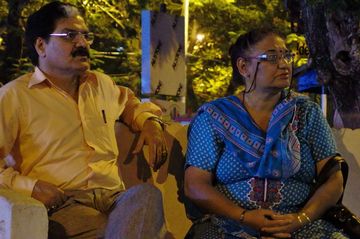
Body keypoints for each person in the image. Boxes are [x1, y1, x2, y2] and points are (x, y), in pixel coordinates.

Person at [0, 1, 169, 239]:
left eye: (85, 36)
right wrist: (30, 187)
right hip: (64, 203)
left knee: (148, 195)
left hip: (114, 199)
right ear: (41, 45)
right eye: (70, 35)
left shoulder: (101, 84)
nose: (82, 44)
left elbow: (131, 104)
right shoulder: (14, 96)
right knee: (120, 230)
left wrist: (151, 123)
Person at [184, 28, 349, 238]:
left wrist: (300, 219)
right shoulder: (214, 117)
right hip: (230, 224)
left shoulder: (307, 112)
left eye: (286, 56)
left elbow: (333, 179)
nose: (284, 64)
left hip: (299, 225)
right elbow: (195, 185)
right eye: (271, 57)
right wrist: (244, 216)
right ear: (244, 67)